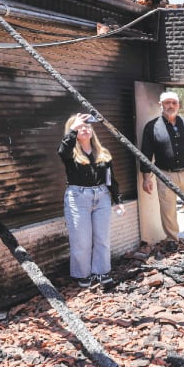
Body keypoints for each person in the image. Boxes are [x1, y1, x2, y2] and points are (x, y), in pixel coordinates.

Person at [58, 113, 125, 288]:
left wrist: (117, 200)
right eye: (80, 127)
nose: (84, 129)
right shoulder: (70, 153)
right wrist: (73, 129)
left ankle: (102, 272)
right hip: (78, 197)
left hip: (101, 196)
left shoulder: (103, 153)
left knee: (102, 238)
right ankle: (83, 274)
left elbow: (111, 179)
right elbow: (62, 150)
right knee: (82, 239)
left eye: (87, 126)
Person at [139, 91, 184, 250]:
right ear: (161, 105)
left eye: (174, 103)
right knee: (168, 209)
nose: (170, 106)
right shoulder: (151, 127)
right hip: (165, 174)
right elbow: (145, 154)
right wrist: (146, 178)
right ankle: (172, 239)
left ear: (178, 105)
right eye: (167, 103)